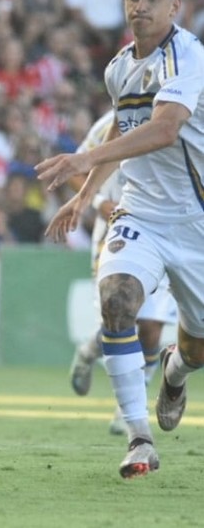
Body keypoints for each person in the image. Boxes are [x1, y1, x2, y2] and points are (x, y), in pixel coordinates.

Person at [35, 0, 204, 479]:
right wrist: (84, 196)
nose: (140, 6)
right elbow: (120, 132)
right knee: (117, 302)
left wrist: (82, 159)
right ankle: (138, 438)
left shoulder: (190, 57)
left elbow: (163, 129)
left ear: (175, 5)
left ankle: (176, 371)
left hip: (195, 222)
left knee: (197, 350)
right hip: (142, 214)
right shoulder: (118, 67)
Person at [67, 110, 178, 436]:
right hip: (119, 230)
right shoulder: (114, 119)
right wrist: (98, 200)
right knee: (121, 316)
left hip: (166, 229)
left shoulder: (180, 117)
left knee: (152, 328)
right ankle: (89, 352)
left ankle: (128, 408)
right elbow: (78, 166)